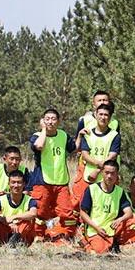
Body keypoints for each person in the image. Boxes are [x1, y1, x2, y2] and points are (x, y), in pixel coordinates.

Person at [30, 108, 83, 239]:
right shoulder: (37, 136)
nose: (50, 122)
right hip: (43, 180)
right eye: (47, 119)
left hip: (61, 181)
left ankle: (65, 236)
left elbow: (73, 148)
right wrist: (43, 129)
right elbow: (40, 146)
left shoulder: (63, 135)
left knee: (66, 211)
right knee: (40, 211)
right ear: (42, 121)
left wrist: (80, 135)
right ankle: (38, 236)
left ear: (58, 121)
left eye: (53, 119)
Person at [74, 102, 121, 230]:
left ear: (110, 118)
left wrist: (99, 169)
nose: (103, 117)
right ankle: (83, 231)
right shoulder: (88, 133)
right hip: (88, 177)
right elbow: (85, 154)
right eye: (100, 114)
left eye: (106, 115)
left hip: (106, 177)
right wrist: (97, 165)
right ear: (96, 115)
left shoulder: (114, 135)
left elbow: (112, 155)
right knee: (84, 205)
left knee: (102, 206)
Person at [78, 160, 132, 254]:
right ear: (102, 172)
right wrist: (97, 228)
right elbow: (83, 213)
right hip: (95, 229)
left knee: (133, 223)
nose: (109, 176)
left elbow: (129, 212)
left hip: (111, 229)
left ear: (117, 175)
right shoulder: (92, 189)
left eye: (112, 173)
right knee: (101, 250)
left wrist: (120, 219)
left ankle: (117, 244)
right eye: (107, 173)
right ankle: (86, 244)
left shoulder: (120, 192)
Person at [74, 90, 119, 185]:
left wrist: (101, 167)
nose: (102, 102)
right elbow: (77, 147)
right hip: (87, 167)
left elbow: (115, 149)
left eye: (105, 100)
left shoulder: (115, 123)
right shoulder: (85, 120)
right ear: (94, 104)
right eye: (99, 100)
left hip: (109, 169)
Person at [0, 170, 37, 245]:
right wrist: (5, 220)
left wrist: (14, 217)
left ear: (24, 184)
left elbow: (33, 213)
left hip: (21, 230)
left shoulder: (29, 200)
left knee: (29, 221)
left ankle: (18, 240)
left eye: (19, 182)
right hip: (6, 228)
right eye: (13, 182)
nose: (16, 185)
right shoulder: (1, 199)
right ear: (9, 184)